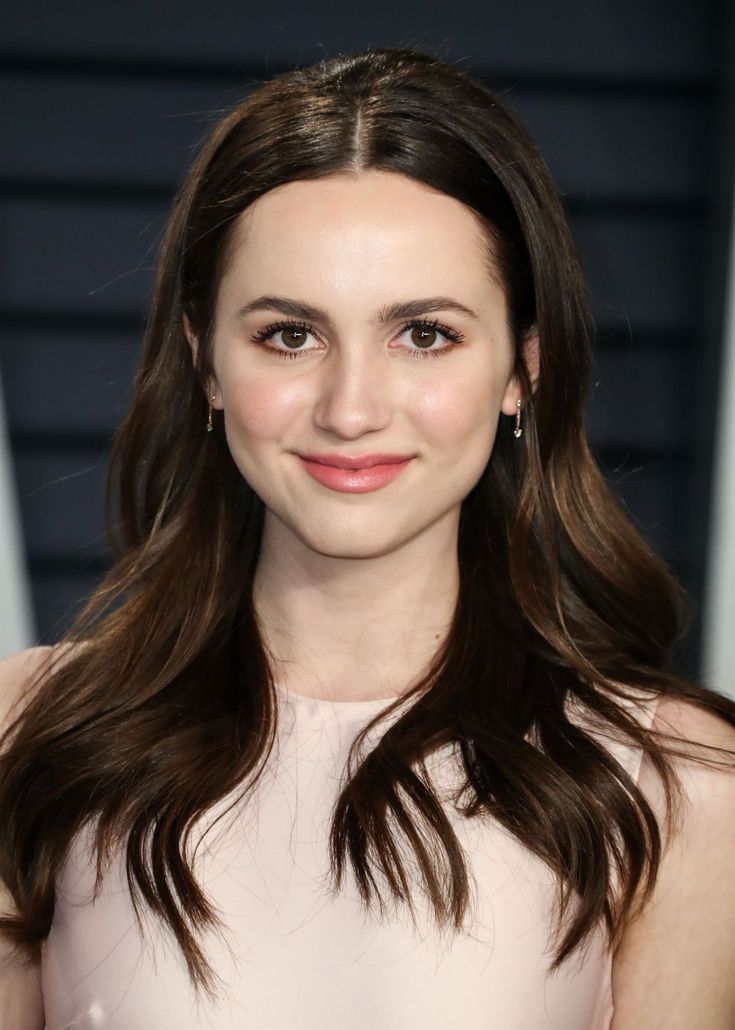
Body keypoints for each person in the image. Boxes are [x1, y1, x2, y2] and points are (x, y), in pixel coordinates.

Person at [1, 45, 735, 1030]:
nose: (352, 409)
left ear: (523, 369)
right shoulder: (27, 733)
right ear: (205, 363)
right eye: (289, 335)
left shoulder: (678, 781)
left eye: (424, 333)